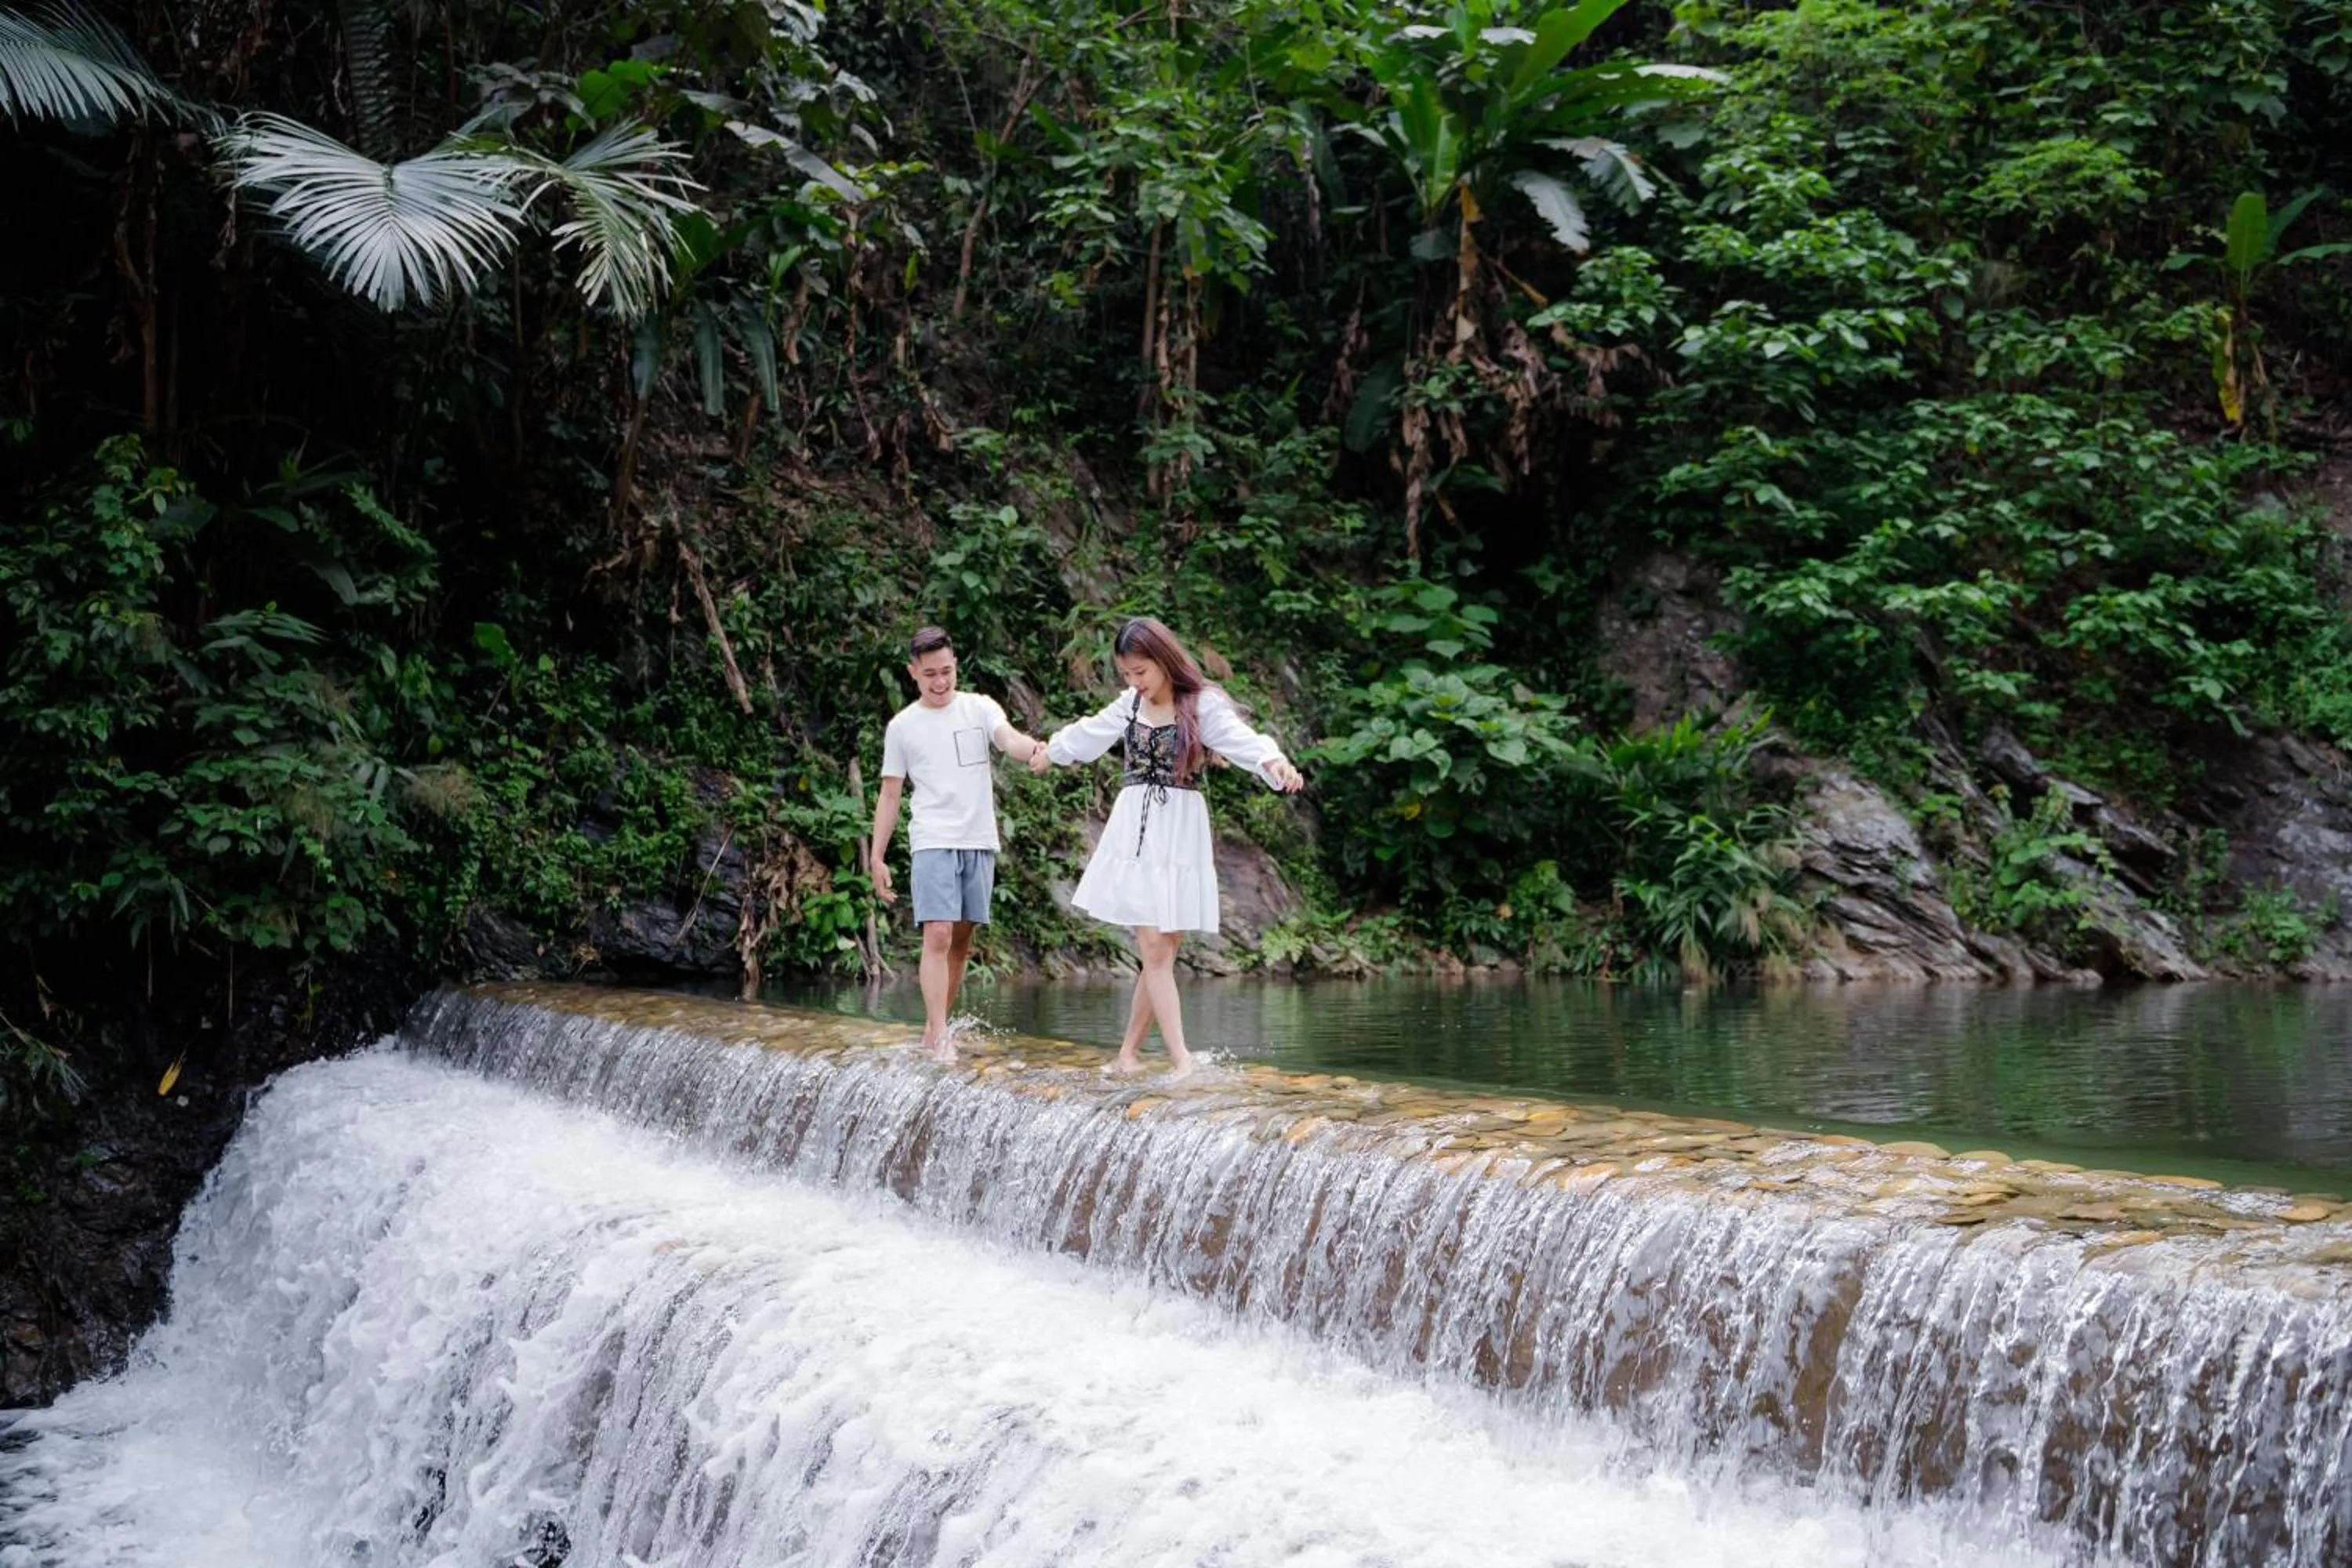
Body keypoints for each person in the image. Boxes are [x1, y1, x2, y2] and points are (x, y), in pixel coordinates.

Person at [1032, 616, 1305, 1078]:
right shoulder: (1128, 706)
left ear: (1163, 661)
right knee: (1154, 945)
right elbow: (1088, 734)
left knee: (1161, 951)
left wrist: (1274, 762)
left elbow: (1245, 742)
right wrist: (1050, 751)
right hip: (1136, 829)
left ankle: (1127, 1055)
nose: (1134, 682)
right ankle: (1181, 1058)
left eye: (1141, 672)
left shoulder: (1200, 706)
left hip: (1181, 828)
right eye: (1126, 674)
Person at [869, 626, 1048, 1062]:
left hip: (978, 838)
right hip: (932, 838)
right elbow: (890, 794)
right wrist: (876, 856)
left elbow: (1009, 741)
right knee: (939, 932)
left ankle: (933, 1029)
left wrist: (1038, 751)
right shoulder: (903, 727)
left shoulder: (979, 708)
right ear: (913, 672)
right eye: (930, 673)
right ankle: (942, 1034)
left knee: (963, 939)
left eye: (946, 671)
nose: (940, 681)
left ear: (955, 666)